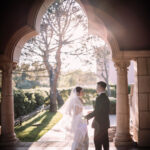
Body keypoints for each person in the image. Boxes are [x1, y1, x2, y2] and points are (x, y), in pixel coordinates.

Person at [85, 81, 110, 150]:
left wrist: (86, 117)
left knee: (97, 142)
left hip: (99, 124)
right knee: (105, 142)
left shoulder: (99, 98)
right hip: (105, 123)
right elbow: (102, 111)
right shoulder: (106, 97)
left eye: (97, 87)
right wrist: (93, 112)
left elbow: (97, 111)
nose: (96, 88)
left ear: (101, 88)